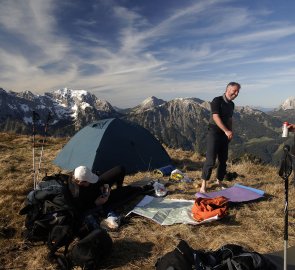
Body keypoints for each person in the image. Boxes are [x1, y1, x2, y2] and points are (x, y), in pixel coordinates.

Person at [200, 82, 241, 193]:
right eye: (234, 91)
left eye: (238, 91)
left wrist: (230, 131)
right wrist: (226, 130)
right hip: (214, 132)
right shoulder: (217, 100)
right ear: (228, 89)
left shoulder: (231, 104)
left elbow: (229, 119)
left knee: (223, 159)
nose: (236, 93)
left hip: (225, 134)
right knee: (211, 160)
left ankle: (219, 181)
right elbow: (216, 117)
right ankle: (203, 184)